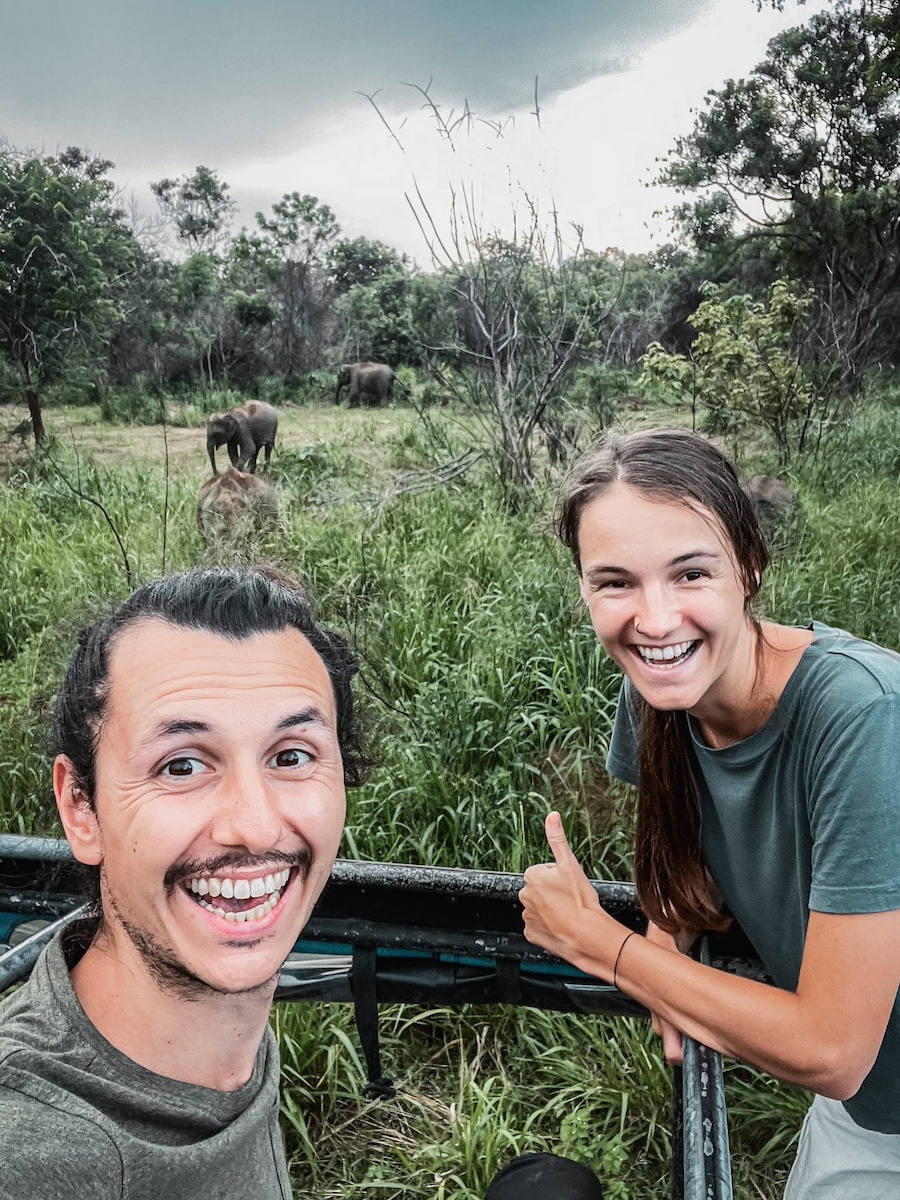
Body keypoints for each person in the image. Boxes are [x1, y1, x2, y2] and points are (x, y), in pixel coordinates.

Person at [0, 565, 603, 1199]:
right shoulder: (37, 1152)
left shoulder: (203, 1021)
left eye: (290, 756)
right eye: (181, 766)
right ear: (80, 807)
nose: (256, 827)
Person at [519, 428, 900, 1199]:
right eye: (615, 582)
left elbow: (832, 1047)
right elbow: (681, 864)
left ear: (749, 568)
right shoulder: (661, 691)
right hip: (868, 1112)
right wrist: (667, 951)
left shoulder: (864, 714)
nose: (655, 621)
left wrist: (609, 949)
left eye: (690, 573)